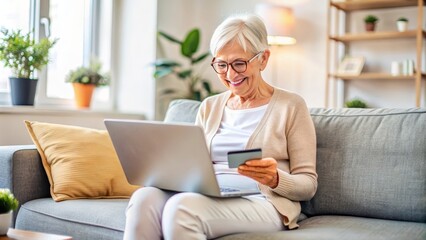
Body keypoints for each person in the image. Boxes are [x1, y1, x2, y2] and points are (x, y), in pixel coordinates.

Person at [123, 13, 317, 240]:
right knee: (144, 199)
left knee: (182, 208)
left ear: (263, 59)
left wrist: (274, 178)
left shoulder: (291, 106)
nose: (231, 74)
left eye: (239, 63)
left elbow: (308, 185)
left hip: (263, 201)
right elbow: (192, 165)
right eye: (221, 64)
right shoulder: (209, 107)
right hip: (208, 194)